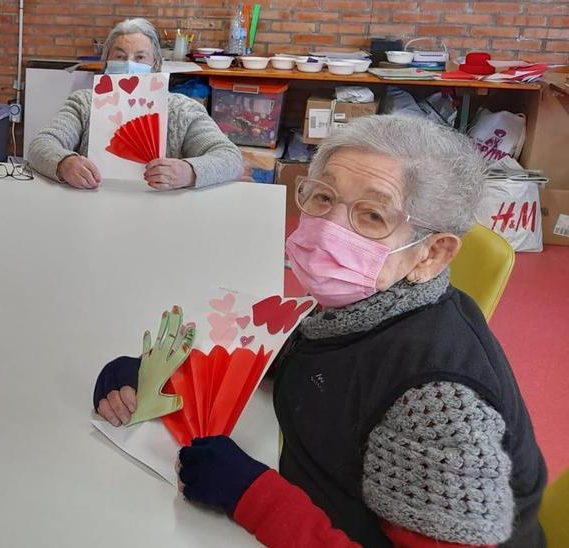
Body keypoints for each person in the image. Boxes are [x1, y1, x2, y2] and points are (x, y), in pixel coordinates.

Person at [93, 116, 546, 546]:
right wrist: (168, 373)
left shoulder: (436, 403)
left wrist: (254, 496)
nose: (329, 228)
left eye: (372, 215)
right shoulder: (361, 307)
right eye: (323, 197)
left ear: (431, 254)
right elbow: (298, 350)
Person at [28, 18, 242, 191]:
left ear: (155, 65)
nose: (129, 64)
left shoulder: (183, 109)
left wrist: (190, 171)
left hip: (163, 212)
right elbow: (41, 144)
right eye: (120, 56)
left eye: (140, 57)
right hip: (94, 203)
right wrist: (64, 163)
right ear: (106, 63)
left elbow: (229, 157)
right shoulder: (84, 102)